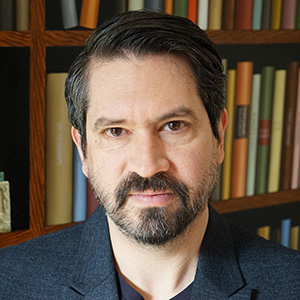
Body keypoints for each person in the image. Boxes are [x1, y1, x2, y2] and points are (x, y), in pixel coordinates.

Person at [0, 10, 300, 300]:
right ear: (83, 150)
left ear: (218, 136)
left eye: (173, 126)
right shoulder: (8, 281)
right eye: (116, 131)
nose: (147, 166)